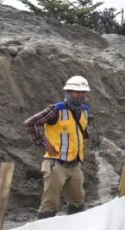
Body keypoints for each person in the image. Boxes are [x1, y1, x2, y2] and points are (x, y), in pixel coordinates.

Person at [23, 75, 92, 219]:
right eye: (77, 92)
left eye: (83, 92)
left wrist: (85, 138)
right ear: (68, 93)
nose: (80, 95)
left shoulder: (85, 110)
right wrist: (43, 143)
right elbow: (30, 123)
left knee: (78, 200)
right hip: (56, 164)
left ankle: (74, 226)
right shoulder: (56, 110)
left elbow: (82, 128)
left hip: (75, 164)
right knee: (50, 202)